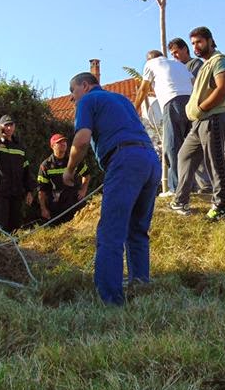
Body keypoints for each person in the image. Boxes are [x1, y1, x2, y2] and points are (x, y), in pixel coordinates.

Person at [63, 72, 161, 305]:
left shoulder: (88, 100)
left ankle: (110, 299)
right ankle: (140, 287)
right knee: (137, 230)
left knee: (111, 232)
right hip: (149, 160)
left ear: (85, 86)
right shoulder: (123, 100)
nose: (71, 99)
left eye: (72, 91)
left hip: (124, 160)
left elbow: (82, 139)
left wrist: (69, 170)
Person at [170, 26, 225, 220]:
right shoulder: (205, 64)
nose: (196, 47)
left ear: (209, 40)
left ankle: (221, 205)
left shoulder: (219, 60)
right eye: (193, 43)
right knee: (184, 155)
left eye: (199, 42)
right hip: (199, 122)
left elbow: (223, 88)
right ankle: (180, 199)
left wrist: (202, 108)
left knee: (214, 162)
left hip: (213, 117)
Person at [133, 50, 194, 193]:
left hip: (172, 102)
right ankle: (192, 186)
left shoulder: (151, 63)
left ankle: (176, 188)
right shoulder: (179, 64)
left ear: (150, 59)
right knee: (189, 145)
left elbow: (143, 89)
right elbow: (194, 83)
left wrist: (134, 109)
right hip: (191, 103)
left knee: (172, 146)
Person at [0, 114, 35, 231]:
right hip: (0, 193)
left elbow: (26, 170)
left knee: (15, 229)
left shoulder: (20, 147)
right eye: (6, 125)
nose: (9, 128)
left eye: (11, 125)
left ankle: (13, 249)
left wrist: (29, 191)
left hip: (16, 194)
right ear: (0, 127)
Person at [37, 133, 90, 223]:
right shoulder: (45, 165)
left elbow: (86, 175)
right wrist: (43, 209)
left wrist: (83, 190)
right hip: (56, 206)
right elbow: (41, 190)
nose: (63, 144)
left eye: (64, 141)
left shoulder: (74, 159)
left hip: (75, 203)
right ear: (52, 146)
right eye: (59, 142)